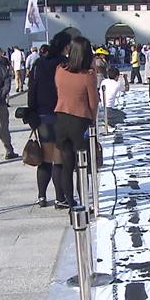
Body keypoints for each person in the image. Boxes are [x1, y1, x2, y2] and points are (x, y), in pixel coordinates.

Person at [28, 32, 72, 208]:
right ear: (66, 47)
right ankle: (60, 198)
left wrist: (32, 111)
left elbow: (32, 89)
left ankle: (41, 196)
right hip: (60, 114)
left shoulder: (39, 64)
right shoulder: (65, 64)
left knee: (45, 158)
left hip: (42, 115)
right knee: (59, 158)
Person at [55, 36, 99, 207]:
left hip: (61, 118)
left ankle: (70, 201)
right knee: (82, 166)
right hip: (80, 120)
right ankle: (84, 202)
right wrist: (93, 121)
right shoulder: (88, 75)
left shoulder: (60, 70)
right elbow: (93, 103)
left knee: (67, 164)